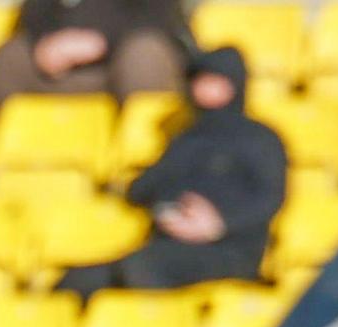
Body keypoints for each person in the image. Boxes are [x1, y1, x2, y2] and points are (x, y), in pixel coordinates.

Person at [56, 48, 280, 297]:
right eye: (201, 82)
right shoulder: (185, 140)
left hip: (231, 251)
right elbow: (146, 188)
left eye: (216, 83)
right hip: (171, 242)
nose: (206, 91)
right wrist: (169, 211)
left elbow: (270, 197)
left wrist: (219, 224)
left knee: (144, 265)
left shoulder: (259, 139)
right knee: (74, 281)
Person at [0, 0, 190, 96]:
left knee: (145, 55)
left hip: (118, 69)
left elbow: (162, 21)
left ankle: (144, 152)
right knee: (11, 56)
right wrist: (43, 46)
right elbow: (32, 19)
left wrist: (100, 42)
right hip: (58, 74)